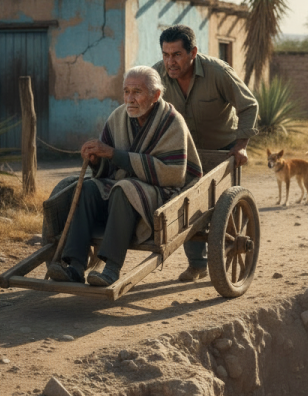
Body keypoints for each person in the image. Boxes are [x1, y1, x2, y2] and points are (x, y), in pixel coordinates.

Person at [42, 66, 202, 287]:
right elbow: (108, 166)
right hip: (123, 186)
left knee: (124, 188)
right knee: (90, 188)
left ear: (156, 95)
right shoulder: (118, 117)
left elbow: (172, 174)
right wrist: (97, 159)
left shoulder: (172, 122)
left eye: (137, 91)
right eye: (126, 91)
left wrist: (113, 154)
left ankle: (111, 269)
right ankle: (76, 267)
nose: (130, 99)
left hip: (160, 192)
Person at [153, 24, 258, 281]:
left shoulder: (217, 72)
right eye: (166, 55)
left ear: (193, 52)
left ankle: (217, 256)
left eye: (177, 54)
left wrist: (241, 146)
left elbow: (249, 106)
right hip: (182, 153)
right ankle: (198, 264)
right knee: (186, 204)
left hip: (221, 151)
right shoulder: (157, 76)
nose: (170, 61)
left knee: (218, 211)